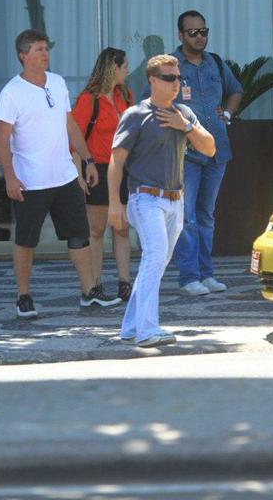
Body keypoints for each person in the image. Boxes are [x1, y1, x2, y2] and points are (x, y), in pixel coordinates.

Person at [0, 29, 120, 319]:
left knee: (79, 236)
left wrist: (87, 159)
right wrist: (10, 177)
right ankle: (23, 297)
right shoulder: (12, 92)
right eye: (38, 49)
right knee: (26, 240)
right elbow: (2, 140)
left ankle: (89, 292)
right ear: (23, 56)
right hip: (30, 181)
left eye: (46, 48)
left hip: (64, 177)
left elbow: (71, 126)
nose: (45, 53)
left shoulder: (59, 83)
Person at [108, 54, 215, 348]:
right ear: (153, 80)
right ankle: (147, 330)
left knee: (155, 263)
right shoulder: (136, 114)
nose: (176, 84)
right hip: (145, 198)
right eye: (169, 78)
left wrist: (185, 126)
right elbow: (116, 161)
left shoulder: (183, 114)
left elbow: (209, 148)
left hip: (175, 201)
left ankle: (131, 326)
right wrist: (114, 204)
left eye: (179, 78)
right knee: (154, 257)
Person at [172, 10, 243, 295]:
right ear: (180, 35)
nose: (200, 37)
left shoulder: (215, 62)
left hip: (217, 151)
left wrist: (227, 113)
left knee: (206, 215)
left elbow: (236, 90)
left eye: (203, 31)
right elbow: (150, 102)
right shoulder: (171, 65)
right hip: (186, 154)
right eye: (193, 32)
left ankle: (206, 273)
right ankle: (189, 277)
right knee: (186, 216)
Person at [72, 47, 133, 302]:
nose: (127, 70)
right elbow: (74, 139)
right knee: (96, 230)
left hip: (122, 168)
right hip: (96, 169)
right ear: (113, 68)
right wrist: (79, 173)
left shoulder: (125, 95)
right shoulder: (89, 99)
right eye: (124, 66)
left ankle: (125, 283)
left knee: (121, 228)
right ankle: (94, 285)